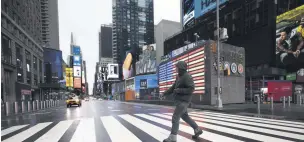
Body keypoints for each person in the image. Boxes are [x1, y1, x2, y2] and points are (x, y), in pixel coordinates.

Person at [161, 61, 203, 142]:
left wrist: (179, 90)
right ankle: (197, 129)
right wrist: (164, 93)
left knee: (175, 117)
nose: (175, 68)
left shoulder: (187, 76)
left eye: (177, 67)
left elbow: (191, 88)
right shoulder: (179, 76)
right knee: (185, 116)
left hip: (184, 101)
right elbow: (173, 88)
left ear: (181, 68)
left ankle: (173, 137)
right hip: (180, 101)